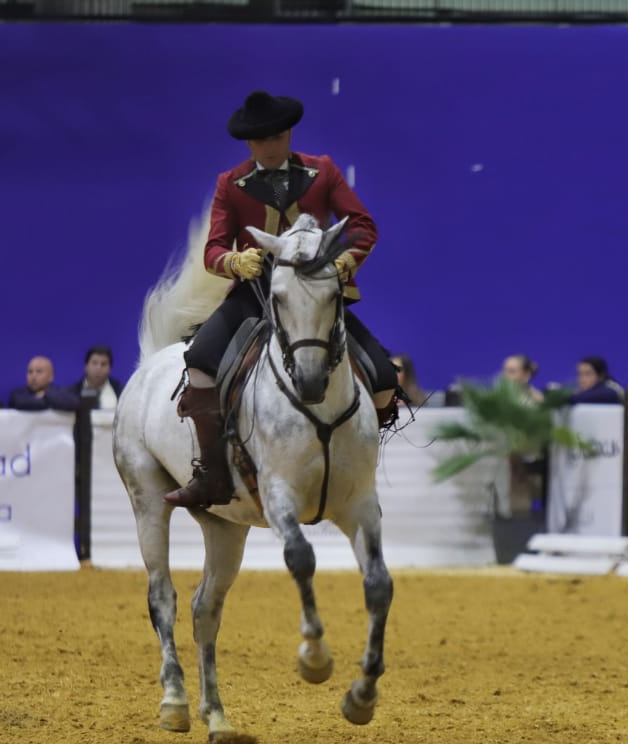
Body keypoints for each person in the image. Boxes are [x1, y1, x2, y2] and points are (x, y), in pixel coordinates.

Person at [164, 89, 395, 510]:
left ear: (288, 135)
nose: (269, 147)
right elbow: (212, 250)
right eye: (260, 141)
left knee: (382, 377)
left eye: (276, 138)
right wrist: (235, 261)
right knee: (200, 364)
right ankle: (212, 473)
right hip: (254, 295)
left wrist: (343, 265)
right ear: (249, 144)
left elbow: (363, 226)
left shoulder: (322, 172)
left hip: (315, 298)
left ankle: (357, 467)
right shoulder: (230, 185)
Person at [8, 356, 80, 411]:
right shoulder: (18, 394)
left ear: (51, 377)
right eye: (30, 372)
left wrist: (45, 394)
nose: (33, 376)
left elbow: (73, 404)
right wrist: (49, 401)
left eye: (39, 371)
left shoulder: (62, 392)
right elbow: (22, 404)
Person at [65, 345, 123, 409]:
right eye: (94, 363)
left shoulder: (120, 392)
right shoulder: (73, 392)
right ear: (86, 366)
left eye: (103, 364)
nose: (98, 368)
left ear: (110, 368)